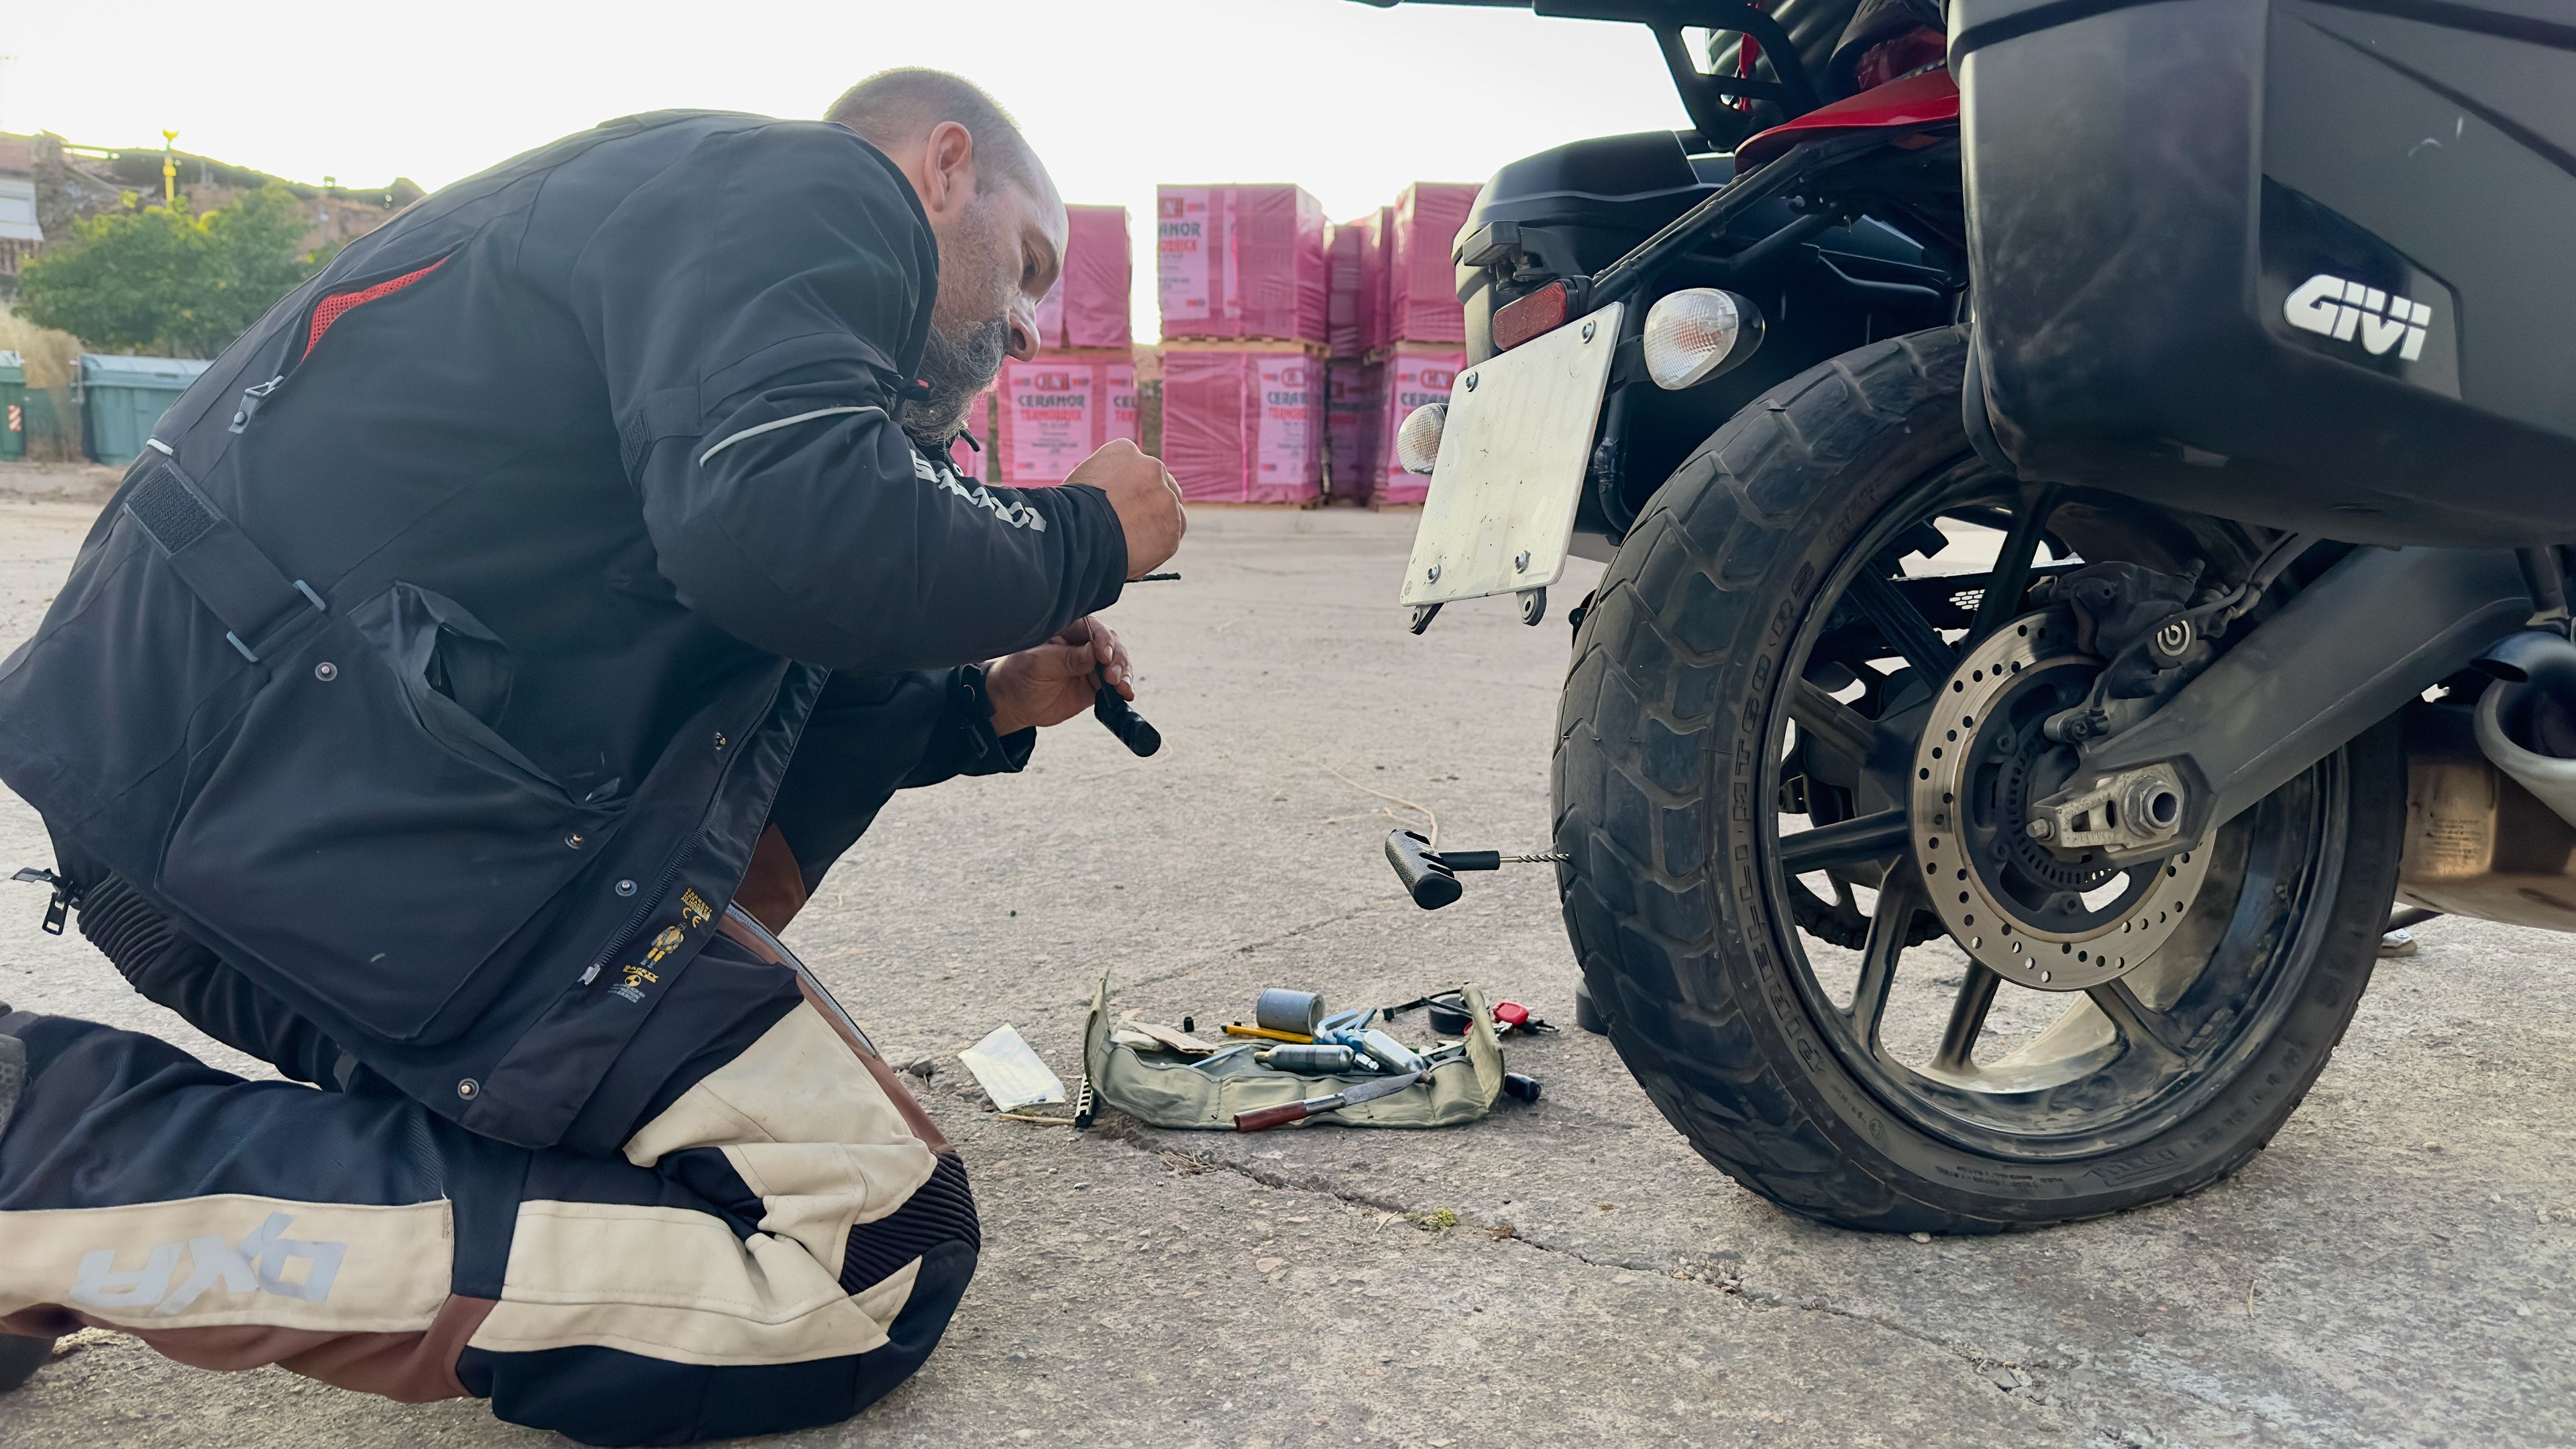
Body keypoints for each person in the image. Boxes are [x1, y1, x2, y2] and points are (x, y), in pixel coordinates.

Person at [0, 69, 1183, 1444]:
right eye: (1027, 263)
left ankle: (95, 1185)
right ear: (941, 166)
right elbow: (787, 537)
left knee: (670, 1171)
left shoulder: (698, 270)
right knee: (858, 1255)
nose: (1029, 326)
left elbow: (792, 615)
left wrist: (982, 704)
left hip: (264, 818)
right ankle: (45, 1171)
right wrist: (1082, 536)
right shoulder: (812, 188)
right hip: (320, 834)